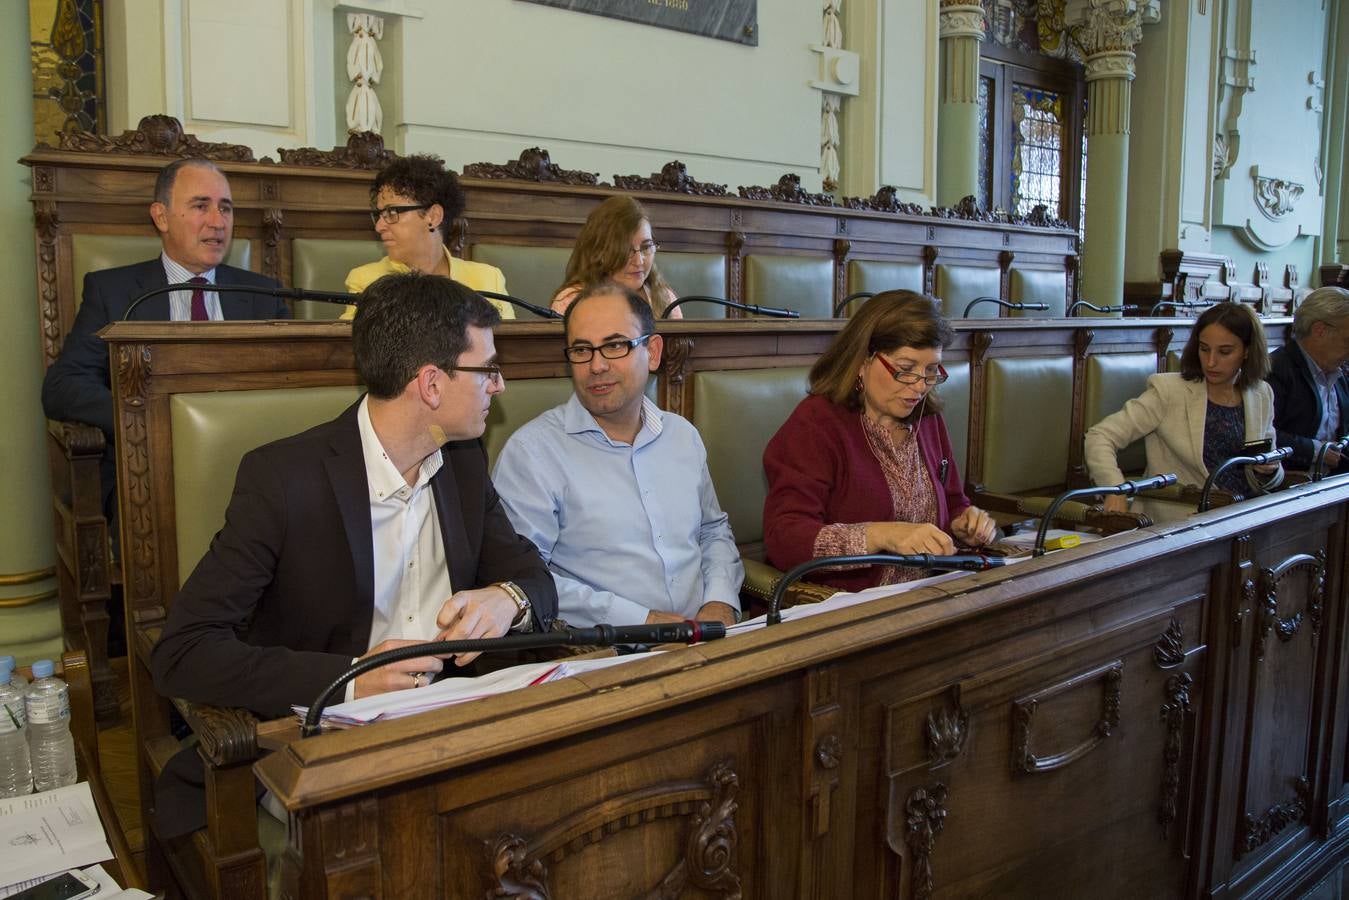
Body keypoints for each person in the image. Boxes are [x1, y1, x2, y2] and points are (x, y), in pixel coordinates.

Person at [151, 274, 558, 837]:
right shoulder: (284, 481)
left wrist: (505, 599)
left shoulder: (463, 463)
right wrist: (349, 680)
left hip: (453, 732)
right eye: (487, 368)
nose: (500, 385)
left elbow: (534, 578)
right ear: (432, 384)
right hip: (327, 752)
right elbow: (184, 652)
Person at [41, 158, 290, 523]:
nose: (218, 222)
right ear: (161, 216)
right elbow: (63, 386)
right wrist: (147, 421)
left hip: (249, 463)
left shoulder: (262, 293)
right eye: (200, 206)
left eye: (225, 208)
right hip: (148, 470)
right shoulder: (115, 292)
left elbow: (291, 384)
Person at [493, 282, 741, 626]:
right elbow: (526, 581)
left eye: (614, 346)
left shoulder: (682, 436)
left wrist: (719, 603)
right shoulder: (532, 454)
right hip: (606, 654)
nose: (596, 365)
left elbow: (713, 532)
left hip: (707, 636)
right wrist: (644, 622)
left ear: (652, 352)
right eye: (581, 350)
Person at [762, 290, 996, 593]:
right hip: (842, 608)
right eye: (905, 370)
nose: (919, 387)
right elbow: (785, 538)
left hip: (927, 597)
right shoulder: (816, 424)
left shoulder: (927, 417)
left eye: (930, 371)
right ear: (863, 361)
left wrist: (964, 522)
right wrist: (881, 535)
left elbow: (952, 502)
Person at [1085, 301, 1283, 521]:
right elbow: (1099, 437)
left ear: (1247, 351)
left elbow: (1270, 470)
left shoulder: (1261, 393)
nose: (1211, 362)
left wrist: (1270, 470)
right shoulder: (1169, 391)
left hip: (1245, 517)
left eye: (1225, 352)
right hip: (1181, 524)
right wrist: (1115, 488)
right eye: (1204, 348)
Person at [340, 154, 514, 319]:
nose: (379, 226)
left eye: (392, 212)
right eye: (379, 215)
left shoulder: (488, 279)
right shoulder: (367, 281)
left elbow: (510, 347)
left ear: (433, 216)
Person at [549, 195, 682, 318]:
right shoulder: (572, 302)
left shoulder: (665, 299)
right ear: (599, 252)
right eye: (626, 250)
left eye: (646, 247)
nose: (639, 261)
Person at [1266, 285, 1349, 473]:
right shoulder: (1276, 370)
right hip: (1287, 486)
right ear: (1320, 330)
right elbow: (1261, 433)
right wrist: (1315, 450)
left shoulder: (1340, 373)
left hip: (1333, 485)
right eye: (1347, 340)